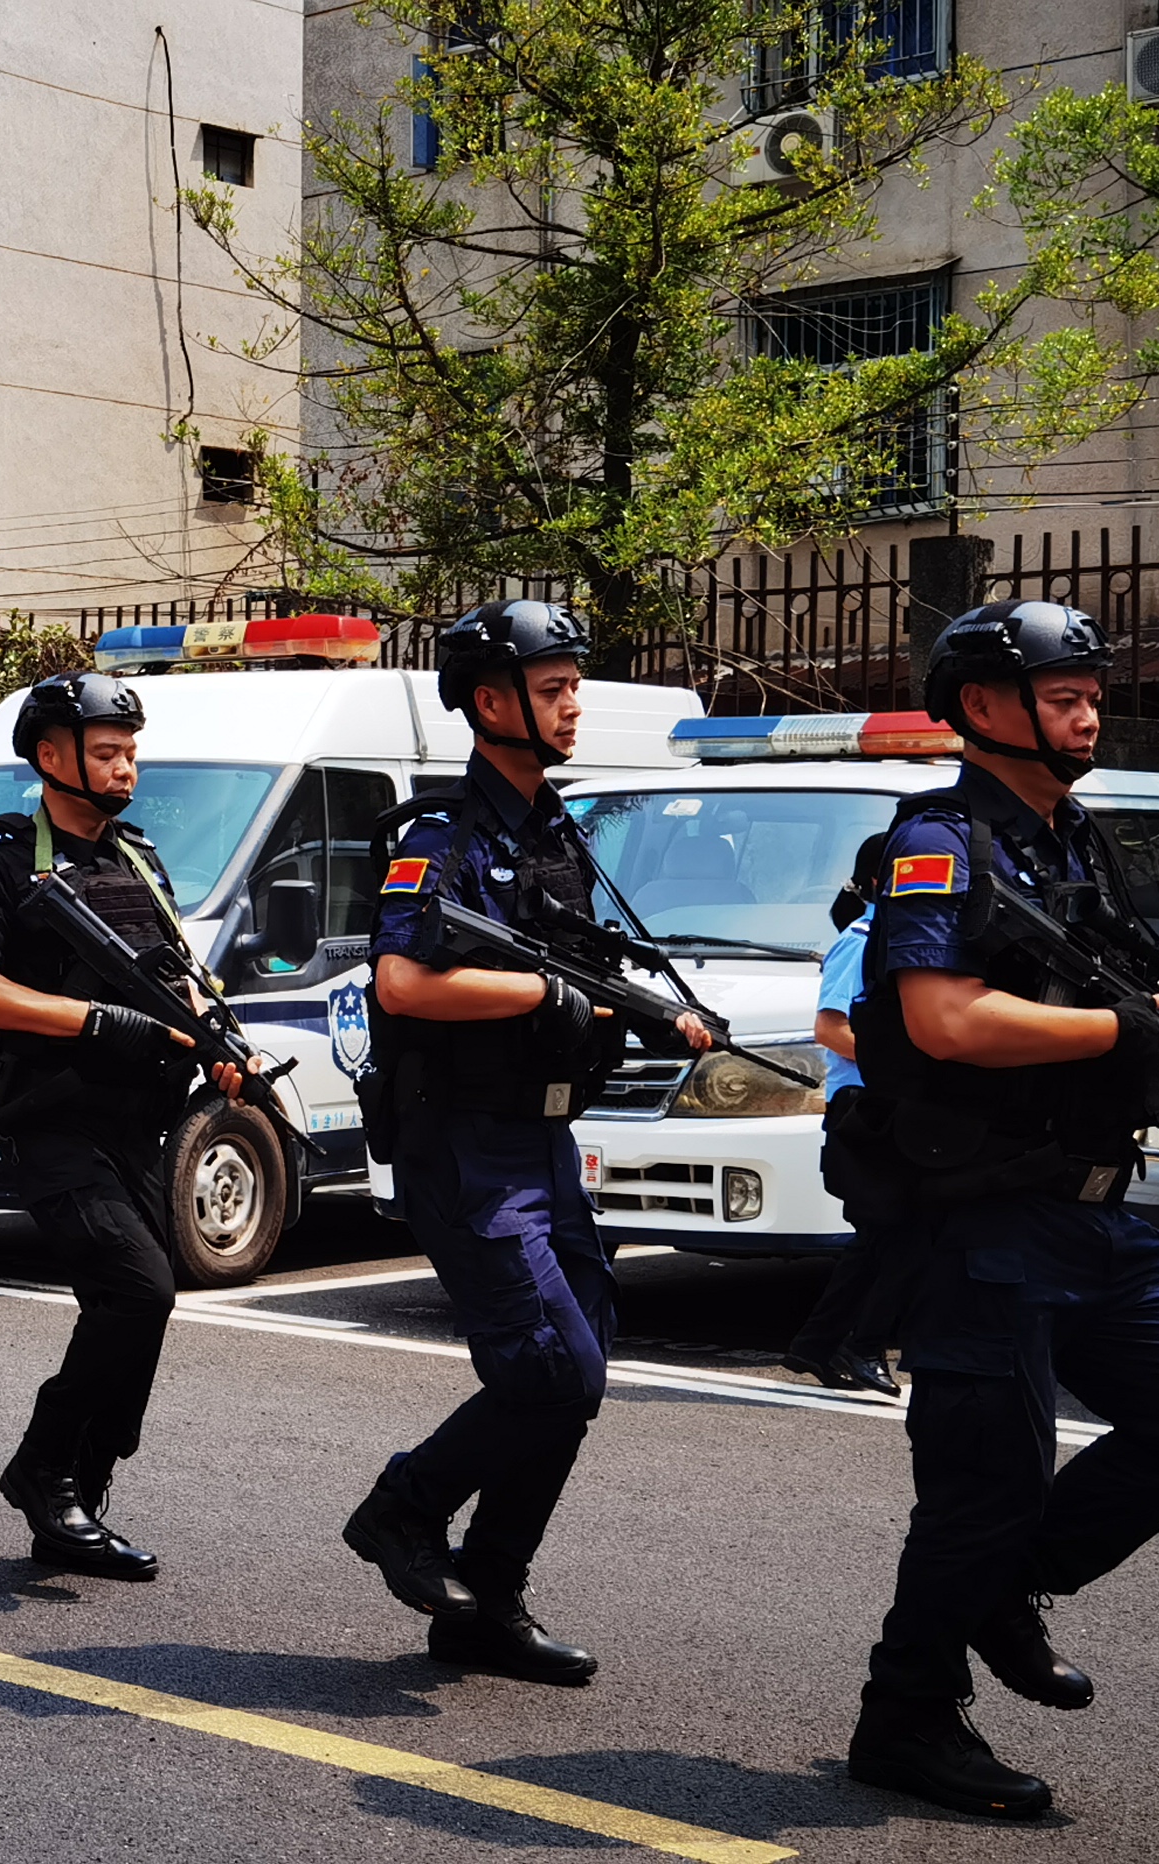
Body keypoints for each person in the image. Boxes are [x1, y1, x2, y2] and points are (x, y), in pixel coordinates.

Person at [834, 603, 1159, 1820]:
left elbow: (1118, 1000)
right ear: (982, 707)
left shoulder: (1074, 842)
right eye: (1063, 695)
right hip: (979, 1218)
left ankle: (1002, 1588)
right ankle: (904, 1719)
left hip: (1093, 1210)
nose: (1087, 713)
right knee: (981, 1482)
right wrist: (1118, 1033)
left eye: (1090, 695)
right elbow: (943, 1018)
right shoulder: (938, 840)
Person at [343, 602, 713, 1680]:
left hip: (543, 1140)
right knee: (552, 1367)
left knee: (578, 1369)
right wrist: (542, 997)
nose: (572, 704)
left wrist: (645, 1011)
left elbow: (577, 970)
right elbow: (402, 981)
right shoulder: (441, 834)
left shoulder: (554, 829)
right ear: (490, 701)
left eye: (571, 686)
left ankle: (487, 1600)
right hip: (461, 1141)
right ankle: (403, 1505)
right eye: (553, 689)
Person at [0, 674, 246, 1580]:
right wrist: (96, 1022)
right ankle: (43, 1471)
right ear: (50, 756)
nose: (125, 768)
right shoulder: (1, 856)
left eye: (129, 752)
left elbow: (176, 975)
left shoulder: (136, 856)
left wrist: (223, 1044)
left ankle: (79, 1495)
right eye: (107, 752)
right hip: (51, 1118)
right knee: (137, 1290)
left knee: (139, 1306)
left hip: (139, 1120)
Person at [781, 833, 900, 1395]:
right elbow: (830, 1028)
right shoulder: (862, 940)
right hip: (862, 1109)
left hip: (887, 1105)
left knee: (890, 1234)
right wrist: (902, 1067)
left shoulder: (894, 939)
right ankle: (853, 1345)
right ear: (878, 882)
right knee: (890, 1232)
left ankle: (825, 1346)